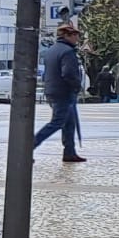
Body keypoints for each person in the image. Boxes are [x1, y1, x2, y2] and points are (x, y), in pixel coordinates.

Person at [34, 20, 88, 162]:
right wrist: (77, 86)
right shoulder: (68, 52)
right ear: (67, 36)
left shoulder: (52, 50)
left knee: (69, 123)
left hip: (53, 90)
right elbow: (68, 73)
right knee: (57, 122)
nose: (77, 38)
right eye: (75, 35)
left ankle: (69, 152)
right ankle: (30, 146)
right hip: (64, 92)